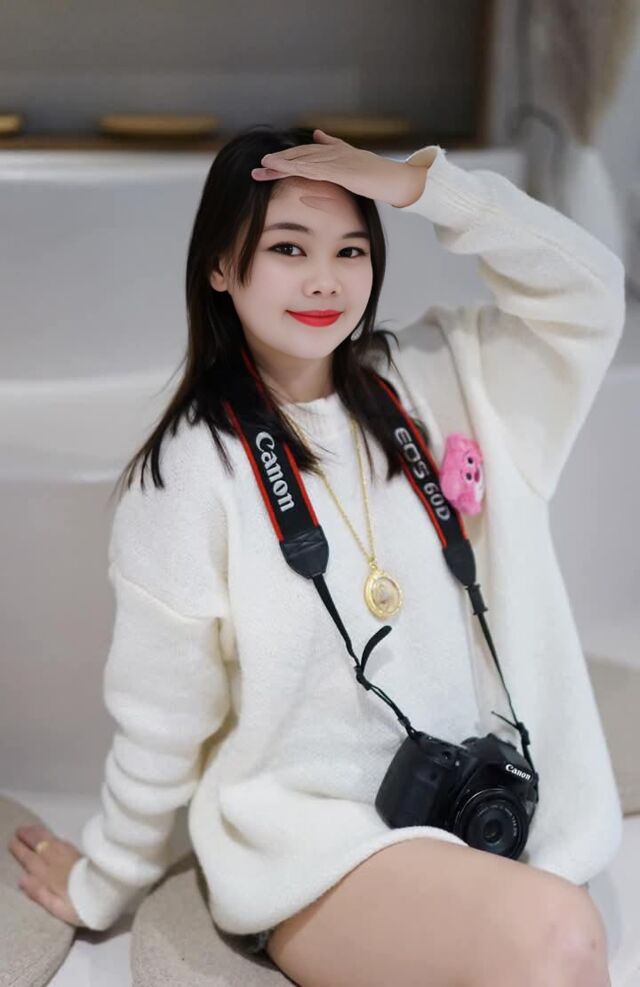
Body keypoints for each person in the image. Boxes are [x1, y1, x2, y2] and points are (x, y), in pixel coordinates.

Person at [9, 125, 624, 986]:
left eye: (351, 249)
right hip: (319, 848)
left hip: (481, 812)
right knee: (563, 937)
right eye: (288, 248)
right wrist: (104, 878)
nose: (325, 280)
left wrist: (418, 186)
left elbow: (590, 290)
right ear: (220, 265)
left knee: (558, 930)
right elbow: (162, 721)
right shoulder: (190, 472)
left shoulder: (441, 377)